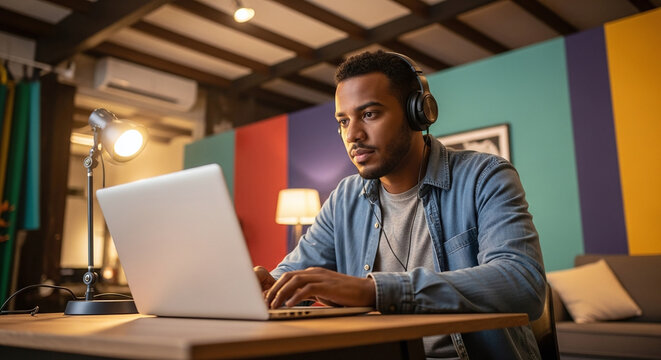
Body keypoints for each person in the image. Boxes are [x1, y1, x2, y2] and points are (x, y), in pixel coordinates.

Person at [254, 50, 546, 359]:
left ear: (417, 113)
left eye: (369, 114)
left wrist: (373, 290)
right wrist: (263, 288)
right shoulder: (344, 198)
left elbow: (522, 283)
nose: (352, 134)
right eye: (343, 120)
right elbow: (293, 280)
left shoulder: (485, 176)